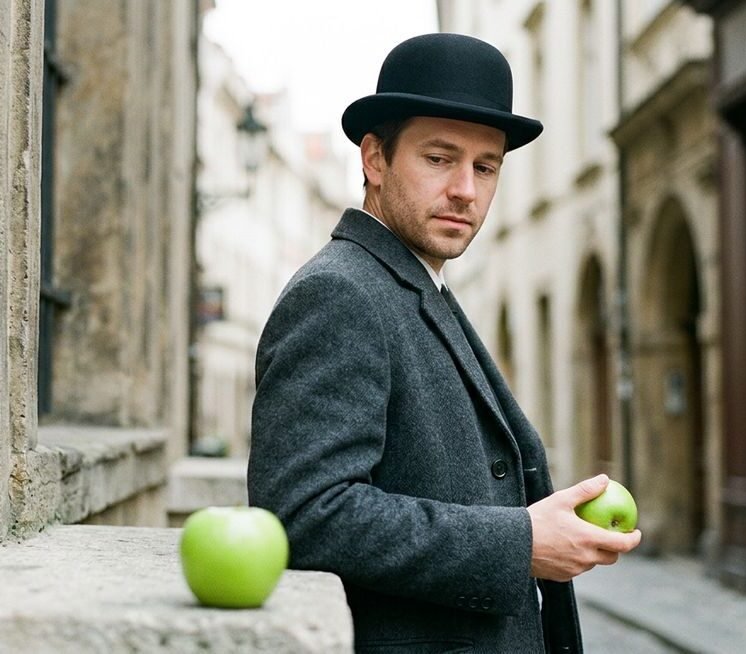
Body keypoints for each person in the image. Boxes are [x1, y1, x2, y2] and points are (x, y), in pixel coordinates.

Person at [248, 33, 641, 653]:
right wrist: (521, 542)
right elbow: (304, 514)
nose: (466, 189)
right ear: (374, 159)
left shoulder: (414, 283)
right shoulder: (340, 294)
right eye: (439, 158)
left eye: (486, 167)